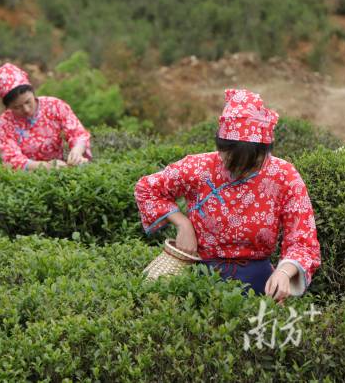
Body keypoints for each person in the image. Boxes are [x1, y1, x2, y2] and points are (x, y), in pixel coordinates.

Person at [134, 89, 320, 302]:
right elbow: (147, 188)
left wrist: (284, 272)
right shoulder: (200, 167)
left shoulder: (283, 175)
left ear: (265, 151)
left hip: (259, 284)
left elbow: (303, 239)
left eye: (251, 164)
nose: (241, 171)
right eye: (233, 162)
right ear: (220, 148)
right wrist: (182, 223)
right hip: (198, 278)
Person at [0, 63, 92, 170]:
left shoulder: (54, 106)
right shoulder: (4, 123)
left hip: (61, 168)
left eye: (28, 102)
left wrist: (76, 151)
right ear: (8, 107)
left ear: (33, 93)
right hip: (27, 179)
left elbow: (78, 133)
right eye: (17, 107)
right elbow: (11, 159)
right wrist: (46, 167)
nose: (26, 110)